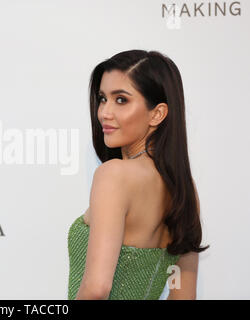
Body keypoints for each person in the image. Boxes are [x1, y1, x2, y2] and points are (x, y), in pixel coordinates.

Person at [67, 49, 210, 300]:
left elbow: (97, 287)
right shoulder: (184, 189)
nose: (104, 113)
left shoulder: (113, 176)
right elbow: (184, 295)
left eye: (121, 100)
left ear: (157, 114)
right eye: (102, 99)